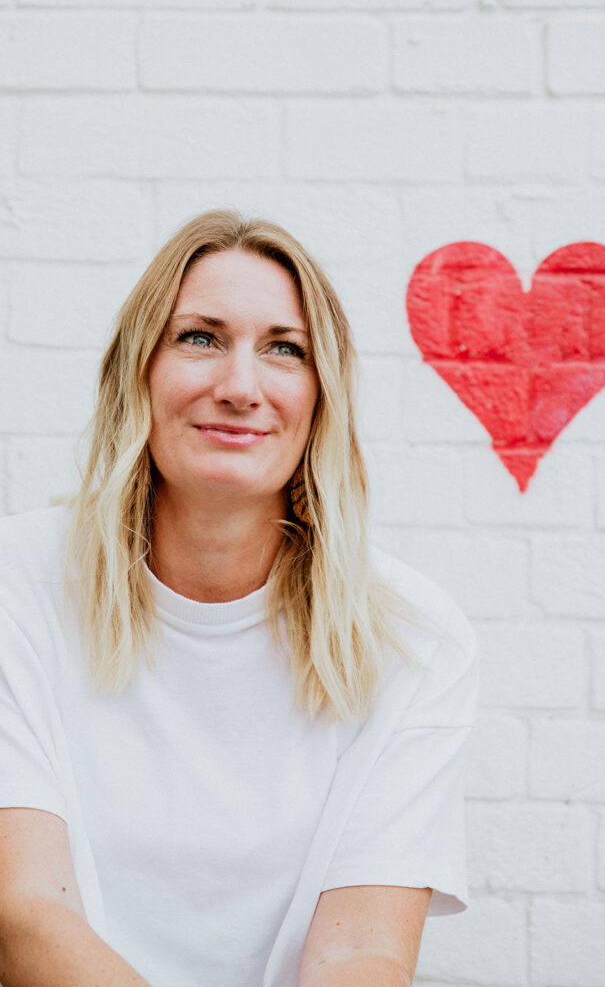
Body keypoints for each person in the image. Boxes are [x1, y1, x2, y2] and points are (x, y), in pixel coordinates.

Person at [0, 210, 479, 987]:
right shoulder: (15, 586)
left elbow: (360, 953)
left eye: (284, 350)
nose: (239, 387)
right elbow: (24, 916)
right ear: (138, 372)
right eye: (199, 338)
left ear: (321, 397)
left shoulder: (414, 637)